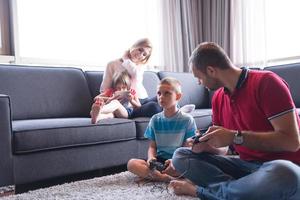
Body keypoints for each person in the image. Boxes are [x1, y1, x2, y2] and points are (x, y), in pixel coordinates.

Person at [170, 42, 300, 199]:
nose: (199, 83)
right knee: (181, 156)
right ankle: (240, 191)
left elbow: (292, 142)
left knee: (286, 174)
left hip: (282, 167)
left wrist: (234, 136)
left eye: (199, 77)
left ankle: (203, 192)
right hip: (246, 167)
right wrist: (206, 147)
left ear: (211, 71)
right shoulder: (218, 98)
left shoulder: (267, 83)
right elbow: (225, 150)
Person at [127, 77, 197, 182]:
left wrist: (174, 161)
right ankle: (164, 177)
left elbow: (188, 148)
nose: (161, 97)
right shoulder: (155, 119)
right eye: (159, 93)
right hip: (160, 161)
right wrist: (151, 158)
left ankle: (155, 176)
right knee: (131, 163)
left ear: (178, 96)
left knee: (193, 166)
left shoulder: (187, 120)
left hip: (178, 160)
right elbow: (152, 146)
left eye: (167, 93)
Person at [93, 38, 162, 121]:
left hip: (142, 100)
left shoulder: (139, 66)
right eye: (140, 50)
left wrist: (126, 59)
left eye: (144, 55)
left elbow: (135, 74)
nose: (140, 55)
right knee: (155, 107)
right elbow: (104, 90)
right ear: (134, 46)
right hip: (128, 104)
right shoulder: (112, 64)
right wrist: (116, 96)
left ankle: (178, 115)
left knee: (164, 97)